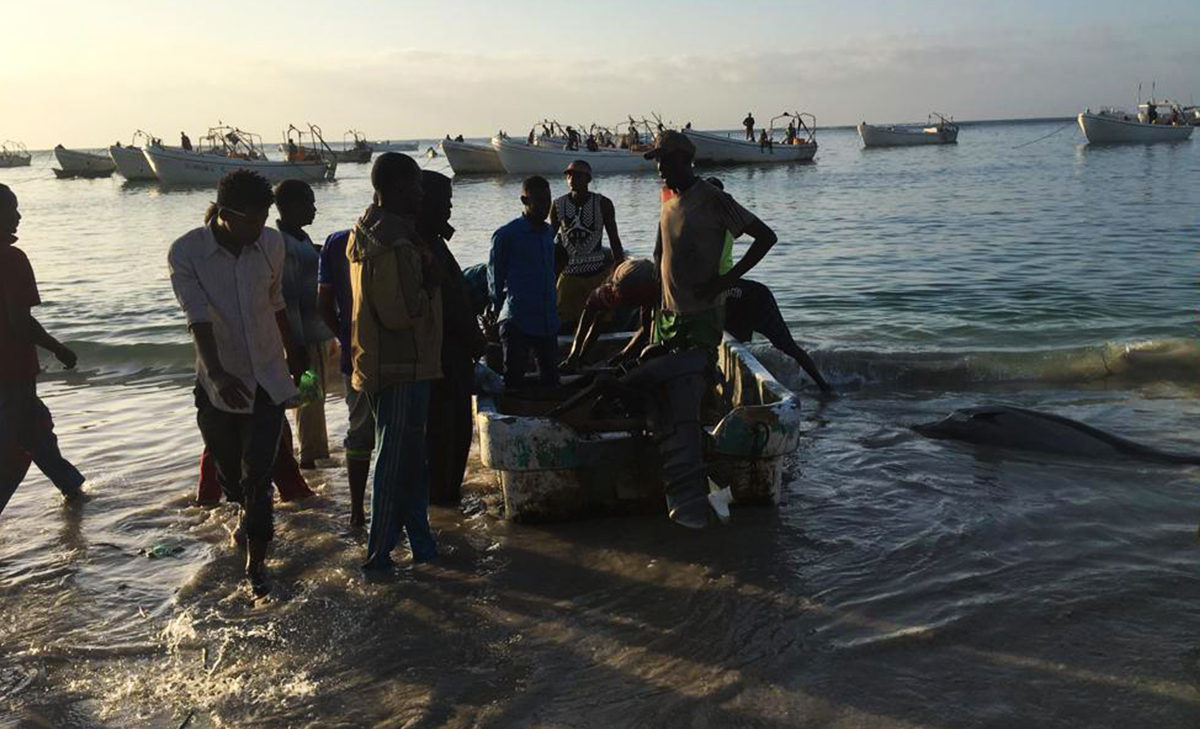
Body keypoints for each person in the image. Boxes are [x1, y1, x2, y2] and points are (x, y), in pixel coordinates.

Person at [168, 170, 308, 596]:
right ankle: (246, 516)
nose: (259, 227)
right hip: (218, 383)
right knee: (230, 475)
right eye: (250, 220)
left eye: (264, 217)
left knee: (259, 475)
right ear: (225, 215)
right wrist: (216, 372)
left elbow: (275, 301)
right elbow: (197, 317)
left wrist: (293, 348)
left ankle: (257, 567)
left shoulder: (271, 243)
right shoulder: (187, 252)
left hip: (267, 376)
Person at [348, 153, 442, 569]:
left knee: (410, 463)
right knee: (394, 464)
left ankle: (422, 545)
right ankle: (378, 553)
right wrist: (431, 284)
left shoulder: (373, 232)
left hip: (394, 364)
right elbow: (399, 313)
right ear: (397, 188)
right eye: (417, 186)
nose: (422, 194)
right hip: (399, 366)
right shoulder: (389, 243)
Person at [562, 257, 834, 393]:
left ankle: (824, 386)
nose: (631, 306)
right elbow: (631, 323)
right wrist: (584, 355)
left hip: (752, 300)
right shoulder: (628, 285)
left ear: (647, 291)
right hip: (726, 308)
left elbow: (655, 333)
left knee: (784, 345)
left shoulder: (669, 292)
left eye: (634, 301)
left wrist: (635, 353)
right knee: (734, 352)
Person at [194, 202, 313, 507]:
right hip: (238, 374)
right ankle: (290, 492)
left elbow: (275, 311)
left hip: (243, 372)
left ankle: (211, 498)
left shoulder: (247, 263)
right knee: (268, 441)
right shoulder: (211, 273)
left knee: (227, 445)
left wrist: (291, 354)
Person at [647, 130, 778, 359]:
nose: (660, 168)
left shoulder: (712, 198)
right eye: (658, 160)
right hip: (668, 312)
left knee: (696, 377)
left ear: (684, 160)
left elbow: (765, 237)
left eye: (665, 159)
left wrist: (727, 280)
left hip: (701, 313)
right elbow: (660, 252)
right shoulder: (668, 202)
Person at [0, 184, 86, 519]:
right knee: (14, 448)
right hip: (11, 370)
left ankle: (72, 488)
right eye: (11, 210)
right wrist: (58, 348)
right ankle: (72, 488)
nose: (18, 216)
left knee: (35, 427)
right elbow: (20, 321)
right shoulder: (12, 259)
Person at [418, 171, 486, 506]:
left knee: (455, 437)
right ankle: (441, 505)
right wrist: (476, 341)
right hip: (441, 363)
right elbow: (444, 308)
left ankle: (446, 505)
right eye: (444, 201)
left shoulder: (434, 243)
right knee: (444, 440)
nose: (449, 209)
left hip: (453, 360)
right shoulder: (422, 247)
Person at [276, 179, 334, 469]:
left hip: (315, 335)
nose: (314, 209)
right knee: (310, 402)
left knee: (316, 399)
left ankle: (316, 454)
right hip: (304, 341)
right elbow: (288, 301)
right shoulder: (285, 245)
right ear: (291, 207)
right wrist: (295, 348)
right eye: (309, 203)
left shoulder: (300, 239)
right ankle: (310, 458)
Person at [319, 227, 371, 527]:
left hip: (355, 356)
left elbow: (323, 303)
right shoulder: (403, 235)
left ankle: (356, 511)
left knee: (360, 433)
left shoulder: (337, 241)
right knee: (395, 436)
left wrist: (344, 335)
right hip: (389, 359)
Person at [489, 176, 561, 388]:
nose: (544, 206)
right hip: (517, 320)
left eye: (547, 200)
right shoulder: (506, 235)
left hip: (547, 321)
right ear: (524, 200)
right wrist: (496, 309)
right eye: (538, 200)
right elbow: (495, 276)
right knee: (513, 381)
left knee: (552, 381)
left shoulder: (549, 233)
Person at [550, 160, 625, 332]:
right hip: (569, 276)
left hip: (596, 275)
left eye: (577, 175)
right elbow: (549, 239)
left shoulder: (603, 203)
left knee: (601, 323)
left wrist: (619, 267)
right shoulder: (558, 205)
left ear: (588, 179)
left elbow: (614, 238)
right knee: (565, 323)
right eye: (568, 175)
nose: (571, 178)